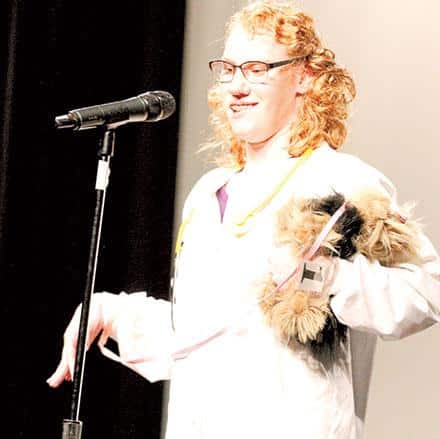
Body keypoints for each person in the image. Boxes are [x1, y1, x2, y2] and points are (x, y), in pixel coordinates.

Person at [48, 2, 440, 438]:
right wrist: (113, 312)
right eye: (228, 69)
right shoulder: (208, 193)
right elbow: (207, 331)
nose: (236, 86)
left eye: (257, 69)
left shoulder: (344, 180)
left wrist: (323, 276)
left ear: (306, 77)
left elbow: (424, 295)